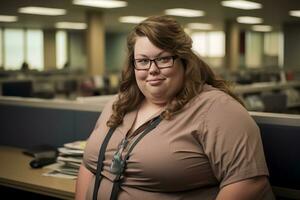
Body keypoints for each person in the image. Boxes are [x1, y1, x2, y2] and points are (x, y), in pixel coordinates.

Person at [76, 15, 274, 200]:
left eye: (163, 59)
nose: (152, 69)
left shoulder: (218, 109)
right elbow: (89, 165)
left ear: (184, 61)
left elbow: (250, 183)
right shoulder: (118, 104)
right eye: (143, 61)